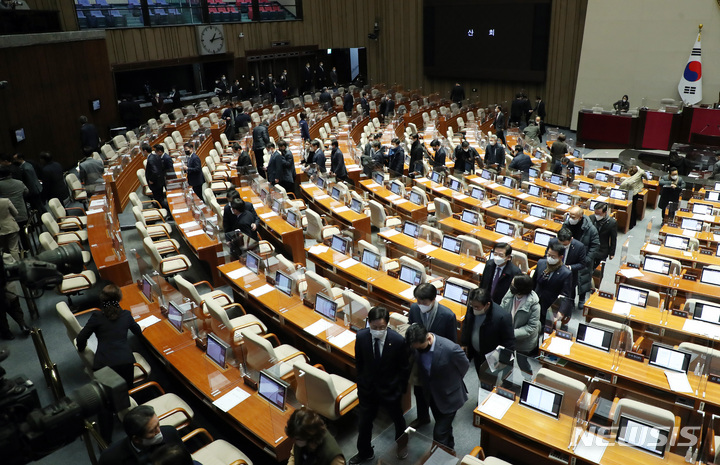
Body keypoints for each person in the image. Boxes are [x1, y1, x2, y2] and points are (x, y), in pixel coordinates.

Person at [350, 307, 409, 464]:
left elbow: (404, 369)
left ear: (387, 324)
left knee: (398, 420)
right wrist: (361, 383)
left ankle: (402, 445)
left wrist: (400, 390)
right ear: (369, 323)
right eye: (374, 327)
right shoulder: (362, 336)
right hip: (368, 390)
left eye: (381, 327)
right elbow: (359, 362)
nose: (377, 330)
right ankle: (364, 452)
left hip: (390, 390)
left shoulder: (397, 341)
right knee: (364, 424)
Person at [405, 323, 469, 450]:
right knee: (445, 428)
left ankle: (440, 458)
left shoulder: (450, 349)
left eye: (420, 348)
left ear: (428, 339)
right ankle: (450, 449)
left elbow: (464, 366)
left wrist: (452, 381)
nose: (418, 350)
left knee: (439, 434)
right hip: (432, 395)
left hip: (450, 396)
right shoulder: (417, 345)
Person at [407, 283, 457, 427]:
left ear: (434, 299)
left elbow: (452, 342)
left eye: (424, 302)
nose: (420, 305)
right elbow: (412, 327)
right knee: (419, 391)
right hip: (419, 358)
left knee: (438, 392)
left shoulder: (447, 315)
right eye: (418, 301)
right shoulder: (414, 308)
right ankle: (423, 417)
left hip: (438, 360)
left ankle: (445, 416)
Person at [99, 405, 186, 465]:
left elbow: (184, 460)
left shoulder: (170, 433)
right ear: (136, 439)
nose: (159, 431)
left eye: (158, 425)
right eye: (153, 430)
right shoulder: (110, 458)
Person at [460, 287, 516, 373]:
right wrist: (464, 343)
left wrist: (503, 359)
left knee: (492, 381)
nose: (474, 309)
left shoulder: (502, 317)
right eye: (472, 305)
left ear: (487, 304)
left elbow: (509, 341)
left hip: (492, 357)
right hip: (476, 353)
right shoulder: (471, 308)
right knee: (480, 375)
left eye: (477, 307)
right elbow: (467, 325)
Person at [563, 206, 599, 309]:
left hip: (584, 258)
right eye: (570, 215)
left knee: (583, 279)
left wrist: (587, 259)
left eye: (573, 216)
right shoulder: (566, 224)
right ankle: (571, 299)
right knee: (571, 280)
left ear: (580, 217)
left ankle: (582, 299)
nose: (570, 218)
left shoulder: (590, 228)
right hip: (570, 256)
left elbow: (595, 245)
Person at [547, 227, 589, 309]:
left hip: (570, 276)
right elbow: (547, 255)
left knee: (567, 298)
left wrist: (569, 267)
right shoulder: (553, 242)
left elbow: (582, 264)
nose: (562, 247)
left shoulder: (579, 246)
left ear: (571, 239)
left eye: (565, 245)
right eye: (560, 244)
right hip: (554, 272)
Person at [533, 241, 573, 324]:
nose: (550, 258)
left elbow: (565, 295)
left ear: (561, 257)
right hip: (534, 303)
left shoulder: (566, 273)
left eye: (553, 256)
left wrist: (561, 311)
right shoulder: (541, 263)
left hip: (549, 306)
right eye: (549, 255)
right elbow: (533, 283)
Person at [500, 274, 540, 356]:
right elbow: (501, 309)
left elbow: (531, 327)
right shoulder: (510, 293)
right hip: (507, 337)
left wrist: (510, 333)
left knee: (523, 364)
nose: (511, 286)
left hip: (523, 342)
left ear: (520, 288)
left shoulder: (535, 306)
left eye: (513, 284)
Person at [0, 253, 30, 340]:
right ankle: (22, 324)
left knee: (1, 313)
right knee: (14, 305)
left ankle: (6, 332)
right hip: (7, 285)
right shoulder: (5, 256)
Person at [0, 165, 29, 251]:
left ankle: (19, 251)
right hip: (22, 212)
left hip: (7, 214)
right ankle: (27, 249)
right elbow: (26, 192)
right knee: (24, 234)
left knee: (13, 238)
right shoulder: (19, 182)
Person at [589, 202, 618, 271]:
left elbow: (613, 238)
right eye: (595, 213)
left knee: (598, 271)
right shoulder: (591, 218)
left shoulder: (612, 223)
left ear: (605, 212)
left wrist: (612, 253)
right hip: (590, 247)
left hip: (602, 250)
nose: (596, 215)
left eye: (599, 214)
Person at [618, 164, 645, 229]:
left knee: (631, 209)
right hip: (635, 194)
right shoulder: (638, 177)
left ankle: (630, 224)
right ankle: (633, 223)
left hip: (631, 194)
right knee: (633, 208)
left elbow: (625, 185)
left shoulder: (632, 180)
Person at [144, 144, 168, 212]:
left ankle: (169, 211)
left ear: (145, 151)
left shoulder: (150, 159)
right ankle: (164, 210)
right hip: (160, 181)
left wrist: (152, 180)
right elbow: (162, 167)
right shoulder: (156, 156)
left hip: (156, 184)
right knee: (161, 198)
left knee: (159, 200)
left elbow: (155, 171)